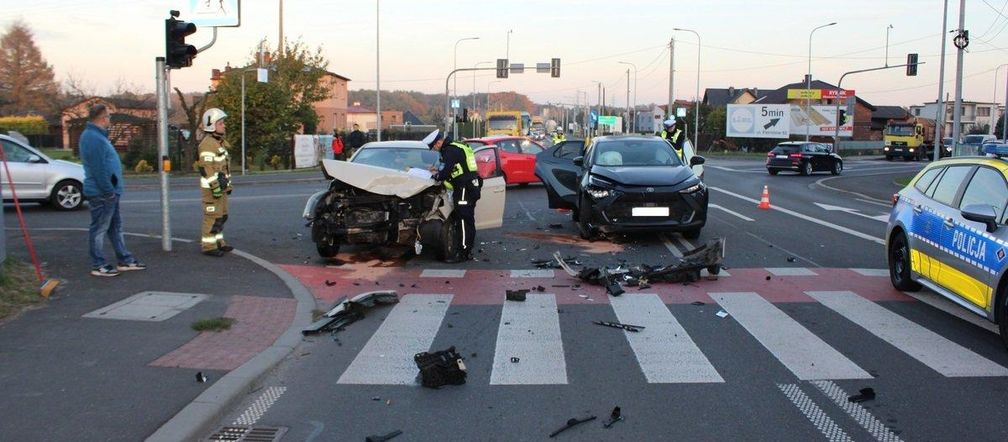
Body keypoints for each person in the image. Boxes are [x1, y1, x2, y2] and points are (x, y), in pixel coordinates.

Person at [79, 104, 145, 276]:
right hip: (102, 193)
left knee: (114, 227)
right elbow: (98, 168)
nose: (110, 119)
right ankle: (98, 264)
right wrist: (108, 190)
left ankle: (124, 259)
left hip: (109, 191)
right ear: (102, 118)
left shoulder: (98, 136)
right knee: (99, 228)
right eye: (108, 116)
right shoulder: (92, 138)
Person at [424, 129, 481, 264]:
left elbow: (445, 174)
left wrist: (435, 175)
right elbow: (456, 168)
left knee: (463, 221)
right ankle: (466, 250)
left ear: (439, 142)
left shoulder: (450, 151)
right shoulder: (456, 146)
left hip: (463, 189)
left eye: (434, 147)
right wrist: (438, 170)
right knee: (467, 220)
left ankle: (463, 253)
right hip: (469, 187)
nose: (435, 150)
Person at [197, 108, 234, 257]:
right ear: (211, 125)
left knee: (222, 216)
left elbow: (223, 168)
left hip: (221, 188)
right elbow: (207, 169)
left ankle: (219, 242)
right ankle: (208, 246)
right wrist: (215, 188)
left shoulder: (219, 143)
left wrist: (227, 186)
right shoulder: (207, 144)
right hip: (212, 190)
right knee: (212, 218)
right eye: (220, 123)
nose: (224, 125)